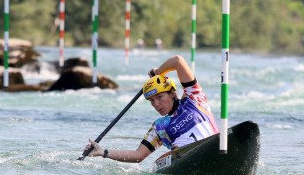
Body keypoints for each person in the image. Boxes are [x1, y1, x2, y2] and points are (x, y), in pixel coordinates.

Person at [83, 55, 219, 162]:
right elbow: (138, 155)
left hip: (215, 148)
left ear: (172, 93)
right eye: (151, 101)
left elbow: (178, 61)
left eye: (160, 97)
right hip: (186, 160)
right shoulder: (159, 127)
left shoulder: (194, 98)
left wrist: (158, 72)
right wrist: (103, 152)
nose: (156, 104)